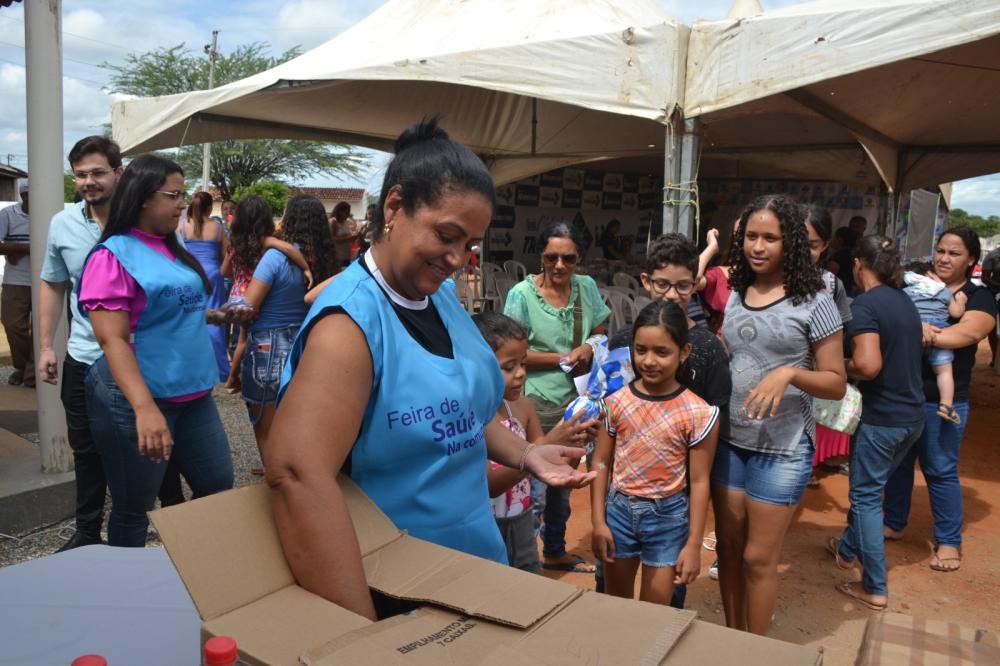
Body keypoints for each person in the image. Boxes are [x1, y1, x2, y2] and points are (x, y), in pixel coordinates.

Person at [266, 119, 593, 620]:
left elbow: (457, 410)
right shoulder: (349, 328)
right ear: (394, 208)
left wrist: (526, 452)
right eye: (447, 235)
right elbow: (296, 474)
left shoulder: (437, 296)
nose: (459, 259)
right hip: (395, 587)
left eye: (471, 245)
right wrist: (359, 631)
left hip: (474, 564)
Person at [78, 154, 234, 547]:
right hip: (139, 397)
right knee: (136, 505)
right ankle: (127, 592)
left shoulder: (172, 245)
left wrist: (215, 314)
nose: (183, 204)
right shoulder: (112, 256)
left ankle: (195, 573)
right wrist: (144, 409)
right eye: (174, 195)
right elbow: (112, 338)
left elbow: (172, 307)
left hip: (193, 392)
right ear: (145, 197)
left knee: (217, 486)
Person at [713, 195, 846, 635]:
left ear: (789, 242)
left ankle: (756, 650)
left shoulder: (815, 301)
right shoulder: (735, 292)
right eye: (751, 236)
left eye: (771, 237)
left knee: (757, 558)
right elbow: (733, 353)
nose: (758, 246)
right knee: (729, 551)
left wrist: (789, 373)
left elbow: (835, 381)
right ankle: (734, 639)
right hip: (731, 443)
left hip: (783, 448)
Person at [609, 232, 732, 592]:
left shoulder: (708, 349)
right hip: (623, 494)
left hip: (674, 502)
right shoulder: (623, 342)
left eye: (683, 286)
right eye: (662, 284)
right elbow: (608, 420)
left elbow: (714, 424)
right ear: (647, 281)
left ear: (695, 285)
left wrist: (694, 536)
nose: (672, 295)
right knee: (611, 593)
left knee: (664, 595)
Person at [883, 226, 997, 573]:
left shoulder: (978, 296)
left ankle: (949, 541)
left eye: (955, 253)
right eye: (941, 250)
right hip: (903, 394)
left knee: (940, 469)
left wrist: (927, 334)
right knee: (899, 465)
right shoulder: (914, 283)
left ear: (971, 260)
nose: (945, 258)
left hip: (943, 401)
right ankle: (895, 522)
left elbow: (970, 332)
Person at [591, 300, 719, 605]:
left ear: (684, 353)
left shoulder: (698, 411)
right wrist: (598, 521)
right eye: (641, 350)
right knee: (616, 606)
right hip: (618, 514)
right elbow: (600, 461)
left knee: (655, 613)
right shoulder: (616, 402)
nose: (649, 361)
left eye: (662, 352)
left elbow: (700, 481)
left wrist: (693, 544)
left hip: (669, 519)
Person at [504, 220, 611, 573]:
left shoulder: (586, 288)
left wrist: (587, 346)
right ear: (541, 257)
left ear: (579, 258)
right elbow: (510, 353)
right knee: (533, 487)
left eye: (568, 258)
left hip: (576, 403)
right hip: (535, 403)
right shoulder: (521, 296)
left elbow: (600, 330)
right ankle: (525, 561)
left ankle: (554, 549)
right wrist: (564, 358)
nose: (559, 266)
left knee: (563, 486)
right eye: (552, 258)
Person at [826, 235, 925, 611]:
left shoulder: (865, 305)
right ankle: (847, 549)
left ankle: (875, 586)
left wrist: (838, 366)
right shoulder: (904, 301)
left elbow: (868, 365)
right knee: (873, 489)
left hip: (883, 418)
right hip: (912, 418)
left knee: (866, 498)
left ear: (858, 265)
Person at [38, 136, 123, 551]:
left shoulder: (143, 218)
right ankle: (88, 532)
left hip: (137, 358)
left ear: (118, 173)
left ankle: (163, 522)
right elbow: (54, 284)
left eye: (97, 173)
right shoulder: (63, 223)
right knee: (85, 449)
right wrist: (46, 346)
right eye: (81, 175)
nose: (89, 182)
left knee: (150, 446)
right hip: (83, 356)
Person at [473, 312, 596, 573]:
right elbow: (492, 485)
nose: (521, 374)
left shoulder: (524, 407)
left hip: (523, 520)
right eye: (509, 367)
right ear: (477, 363)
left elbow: (547, 460)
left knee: (529, 578)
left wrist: (575, 437)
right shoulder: (473, 416)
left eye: (523, 364)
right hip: (485, 523)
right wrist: (547, 444)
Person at [239, 194, 337, 461]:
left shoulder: (276, 257)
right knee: (301, 429)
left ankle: (276, 492)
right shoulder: (326, 259)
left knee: (268, 433)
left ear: (290, 219)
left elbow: (246, 307)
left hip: (269, 350)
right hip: (309, 347)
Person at [221, 202, 313, 393]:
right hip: (252, 292)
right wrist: (305, 268)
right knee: (245, 340)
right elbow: (289, 249)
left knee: (241, 338)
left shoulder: (235, 241)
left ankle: (233, 377)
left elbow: (225, 272)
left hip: (237, 292)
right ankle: (232, 377)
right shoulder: (263, 241)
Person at [804, 205, 854, 483]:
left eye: (811, 245)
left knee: (810, 420)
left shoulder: (832, 285)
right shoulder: (761, 281)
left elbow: (840, 335)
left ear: (824, 245)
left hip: (812, 376)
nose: (802, 251)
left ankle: (808, 466)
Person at [901, 262, 967, 424]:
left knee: (906, 369)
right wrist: (961, 300)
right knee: (944, 372)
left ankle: (903, 401)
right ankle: (946, 406)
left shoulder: (905, 293)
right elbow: (956, 312)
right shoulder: (943, 291)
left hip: (915, 334)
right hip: (940, 333)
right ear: (931, 275)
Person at [181, 191, 230, 382]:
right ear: (210, 208)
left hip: (190, 273)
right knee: (216, 315)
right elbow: (225, 253)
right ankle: (219, 369)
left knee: (191, 314)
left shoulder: (182, 226)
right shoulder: (217, 227)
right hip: (212, 273)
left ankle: (191, 365)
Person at [1, 180, 33, 388]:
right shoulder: (8, 215)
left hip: (46, 281)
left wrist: (14, 248)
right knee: (13, 325)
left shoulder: (51, 214)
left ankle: (31, 374)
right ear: (23, 196)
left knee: (42, 330)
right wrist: (24, 248)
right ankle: (22, 366)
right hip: (16, 280)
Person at [828, 226, 859, 296]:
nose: (832, 240)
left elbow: (830, 277)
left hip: (840, 292)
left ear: (840, 240)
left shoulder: (838, 256)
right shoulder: (855, 255)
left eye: (834, 237)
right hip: (852, 290)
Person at [329, 201, 357, 266]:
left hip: (346, 256)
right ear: (340, 211)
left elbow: (348, 236)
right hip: (338, 257)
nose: (348, 214)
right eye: (346, 212)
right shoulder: (334, 221)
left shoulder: (345, 221)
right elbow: (332, 239)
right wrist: (349, 238)